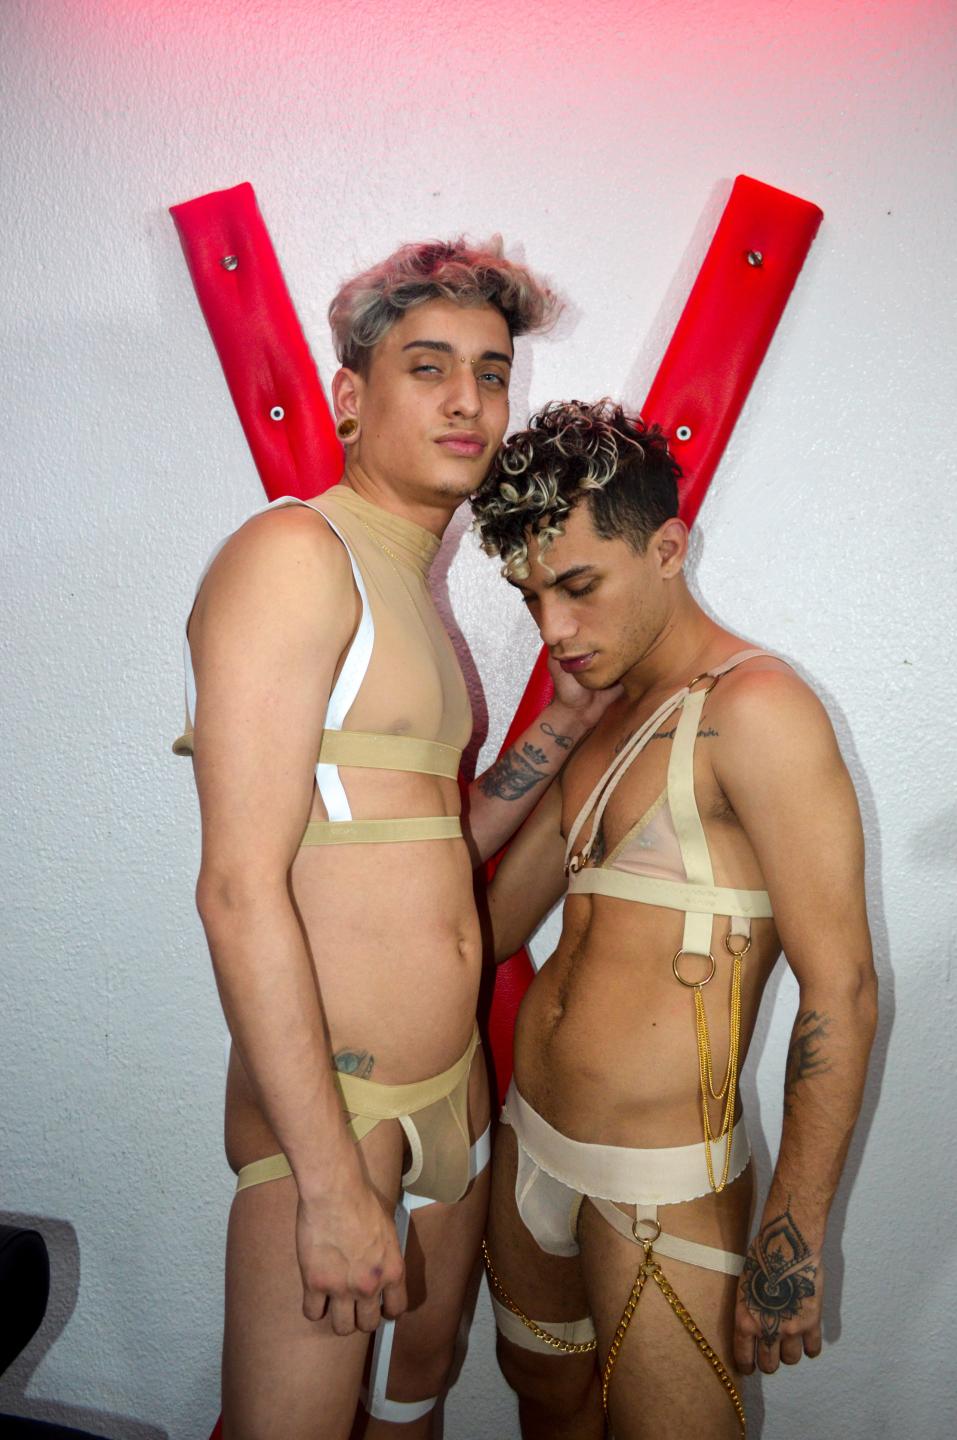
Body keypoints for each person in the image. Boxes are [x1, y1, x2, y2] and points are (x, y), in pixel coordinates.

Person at [172, 242, 611, 1440]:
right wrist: (326, 1184)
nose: (469, 400)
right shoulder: (295, 556)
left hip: (449, 1095)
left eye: (491, 372)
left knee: (412, 1415)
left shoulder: (408, 587)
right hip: (338, 1115)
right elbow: (236, 889)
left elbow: (426, 842)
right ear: (349, 397)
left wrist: (564, 726)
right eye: (429, 367)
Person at [471, 399, 878, 1440]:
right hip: (528, 1144)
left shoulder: (757, 709)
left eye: (577, 587)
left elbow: (840, 989)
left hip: (661, 1191)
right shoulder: (603, 715)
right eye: (531, 597)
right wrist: (561, 722)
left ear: (666, 549)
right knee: (547, 1409)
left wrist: (795, 1234)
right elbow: (494, 926)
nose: (553, 630)